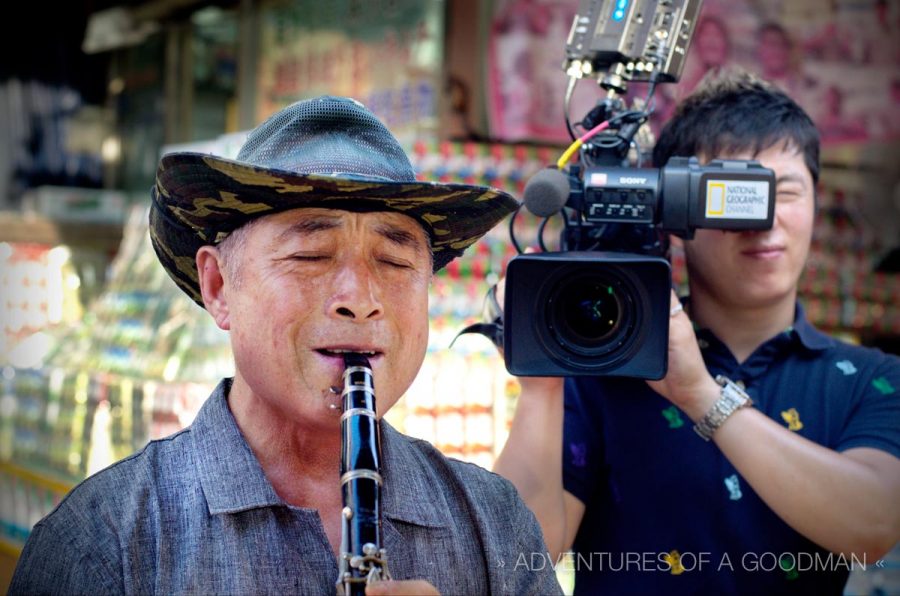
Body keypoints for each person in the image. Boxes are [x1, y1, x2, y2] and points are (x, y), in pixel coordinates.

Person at [10, 96, 563, 595]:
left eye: (394, 262)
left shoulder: (495, 524)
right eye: (309, 256)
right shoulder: (102, 542)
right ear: (220, 286)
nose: (360, 299)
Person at [493, 70, 900, 594]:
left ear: (817, 202)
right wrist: (542, 379)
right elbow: (519, 558)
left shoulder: (871, 378)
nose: (766, 219)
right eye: (734, 195)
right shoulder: (608, 368)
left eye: (788, 192)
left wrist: (700, 394)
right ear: (673, 212)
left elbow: (871, 528)